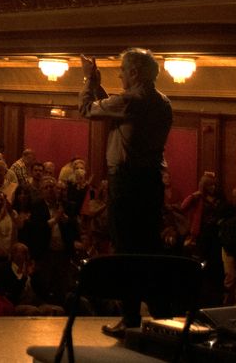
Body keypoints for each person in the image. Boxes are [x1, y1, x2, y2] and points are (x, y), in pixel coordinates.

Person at [79, 49, 173, 337]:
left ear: (134, 72)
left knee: (124, 249)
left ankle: (130, 317)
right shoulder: (162, 102)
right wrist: (98, 86)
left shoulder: (132, 100)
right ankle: (161, 315)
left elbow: (88, 109)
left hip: (127, 182)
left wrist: (88, 81)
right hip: (151, 183)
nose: (119, 74)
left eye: (122, 69)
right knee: (148, 249)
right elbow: (115, 106)